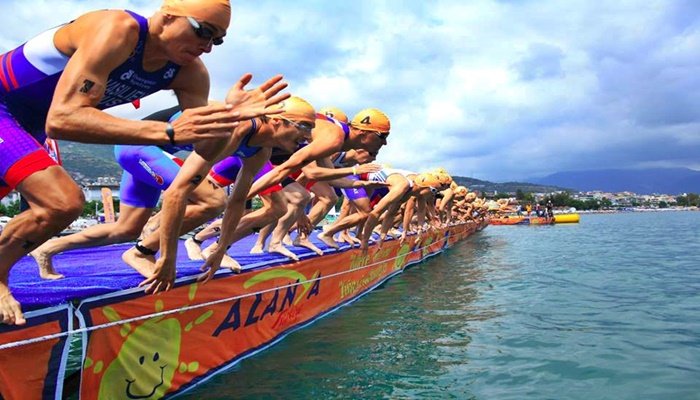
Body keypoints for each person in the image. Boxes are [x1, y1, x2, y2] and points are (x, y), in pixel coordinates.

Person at [0, 0, 289, 325]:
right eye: (203, 32)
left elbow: (207, 150)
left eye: (216, 40)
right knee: (62, 201)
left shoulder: (190, 73)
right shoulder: (117, 29)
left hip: (28, 125)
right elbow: (63, 119)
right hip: (8, 108)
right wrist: (165, 131)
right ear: (166, 16)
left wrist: (228, 117)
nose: (207, 47)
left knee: (70, 207)